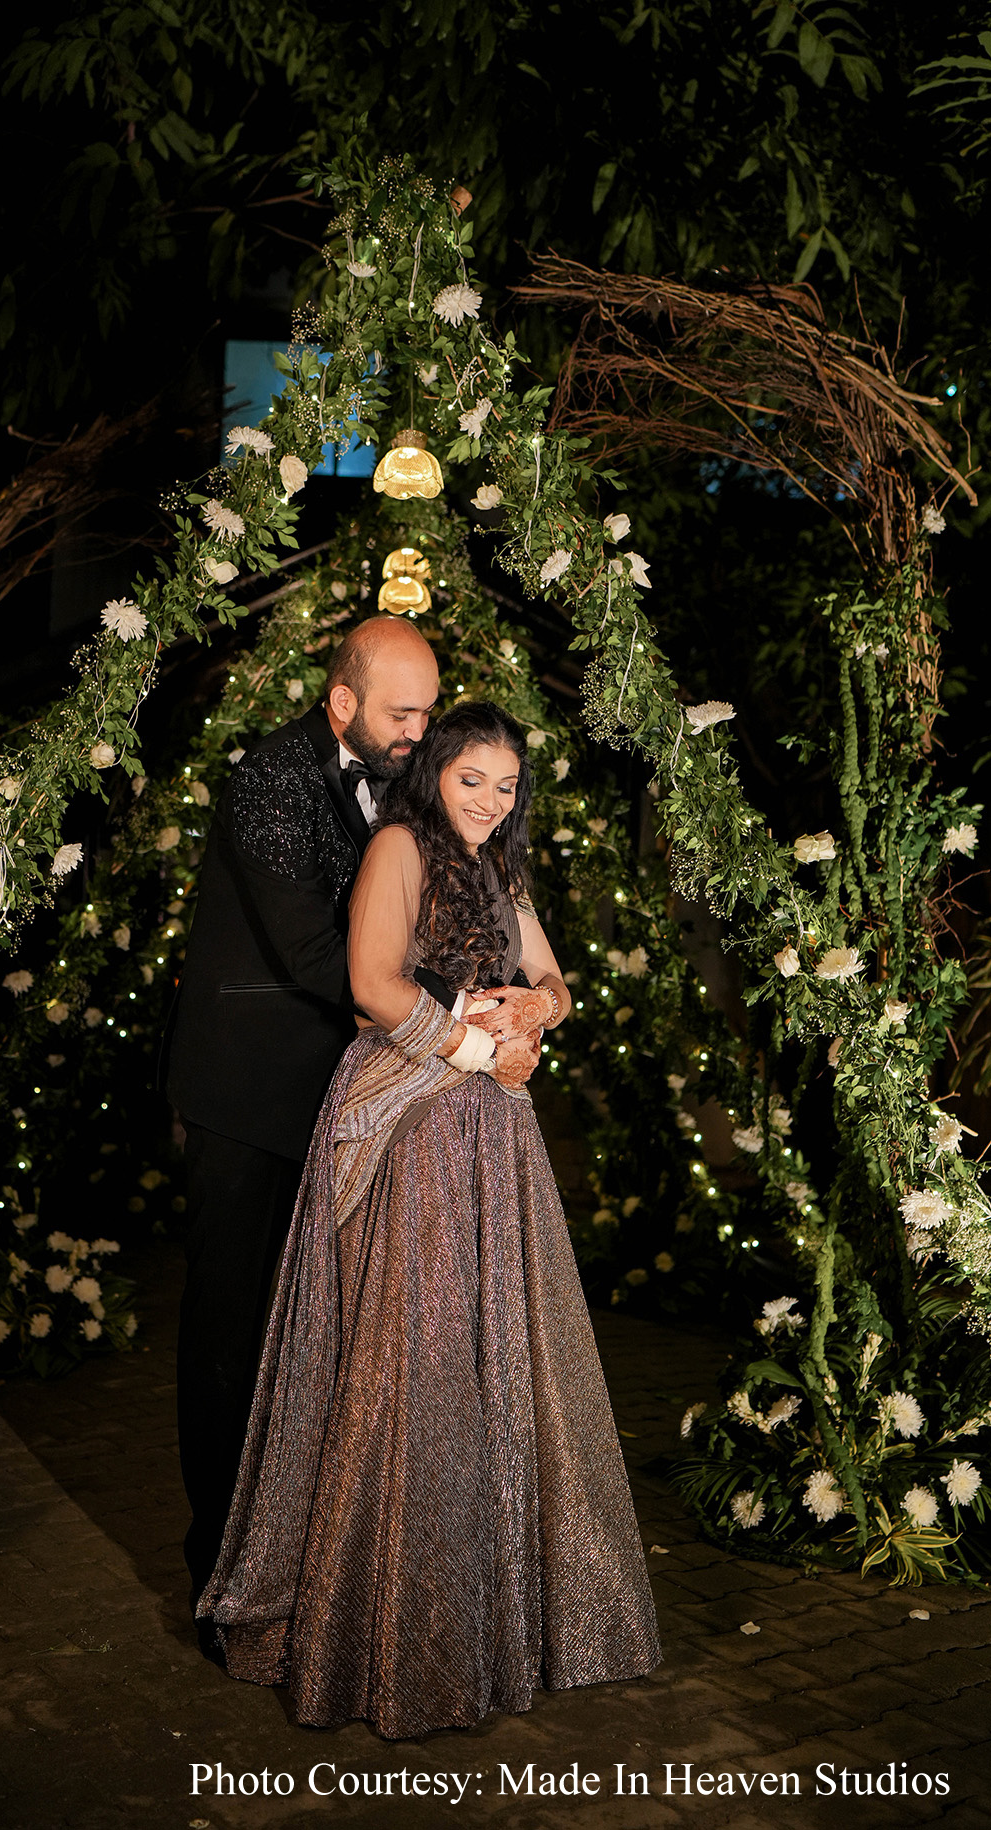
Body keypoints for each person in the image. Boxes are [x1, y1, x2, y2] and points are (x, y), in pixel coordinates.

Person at [197, 701, 661, 1738]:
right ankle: (386, 1622)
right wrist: (472, 1049)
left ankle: (483, 1613)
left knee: (492, 1354)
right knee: (417, 1357)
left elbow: (550, 976)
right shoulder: (398, 846)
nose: (491, 801)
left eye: (506, 786)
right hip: (406, 1116)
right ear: (435, 773)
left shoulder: (498, 866)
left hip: (491, 1129)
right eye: (473, 780)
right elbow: (370, 987)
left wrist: (537, 1013)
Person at [164, 615, 440, 1604]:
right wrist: (452, 1018)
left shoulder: (408, 779)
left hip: (345, 1104)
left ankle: (309, 1556)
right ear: (341, 704)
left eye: (429, 710)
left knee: (327, 1342)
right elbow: (324, 961)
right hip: (250, 1101)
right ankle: (223, 1578)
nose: (419, 729)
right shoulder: (271, 779)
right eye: (401, 712)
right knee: (232, 1345)